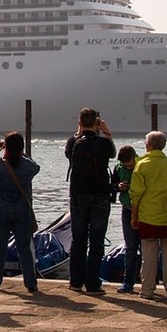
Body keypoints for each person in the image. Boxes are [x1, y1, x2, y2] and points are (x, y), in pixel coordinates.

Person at [0, 132, 39, 293]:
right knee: (24, 247)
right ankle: (30, 283)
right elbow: (36, 166)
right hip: (21, 211)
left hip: (1, 210)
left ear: (6, 147)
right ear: (22, 148)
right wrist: (22, 153)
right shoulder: (27, 166)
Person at [64, 107, 115, 294]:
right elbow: (113, 153)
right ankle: (93, 283)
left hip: (78, 195)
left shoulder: (73, 142)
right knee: (97, 239)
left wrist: (78, 132)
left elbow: (68, 154)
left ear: (80, 122)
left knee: (78, 239)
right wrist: (106, 131)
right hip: (100, 194)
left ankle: (75, 281)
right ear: (96, 123)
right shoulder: (103, 143)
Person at [129, 131, 167, 301]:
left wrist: (134, 215)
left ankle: (147, 290)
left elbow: (136, 194)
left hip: (149, 216)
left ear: (148, 145)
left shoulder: (142, 165)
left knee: (148, 256)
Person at [111, 145, 141, 293]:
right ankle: (128, 281)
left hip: (144, 210)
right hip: (127, 209)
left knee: (148, 248)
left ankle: (149, 281)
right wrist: (118, 186)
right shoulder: (118, 168)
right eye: (125, 166)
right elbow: (112, 186)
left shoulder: (142, 166)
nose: (128, 168)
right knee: (130, 247)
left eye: (130, 166)